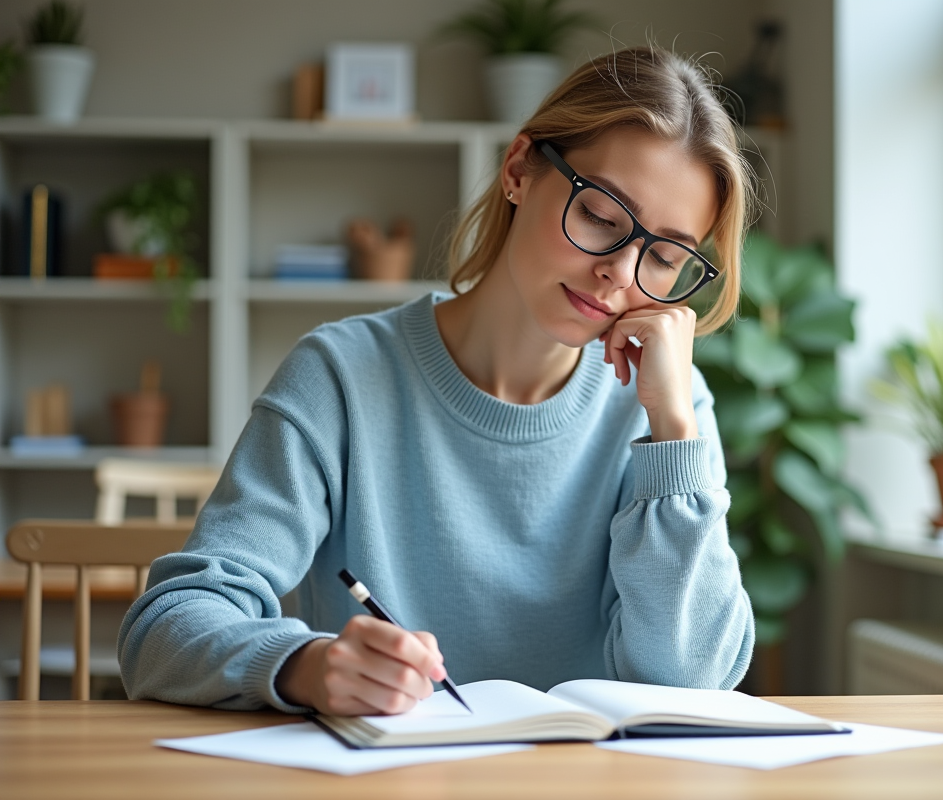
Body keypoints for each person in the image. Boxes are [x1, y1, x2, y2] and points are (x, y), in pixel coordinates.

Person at [118, 45, 756, 716]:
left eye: (663, 256)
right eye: (600, 215)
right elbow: (165, 627)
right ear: (519, 169)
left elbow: (691, 683)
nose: (622, 275)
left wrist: (675, 433)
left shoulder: (666, 410)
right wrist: (303, 666)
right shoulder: (339, 378)